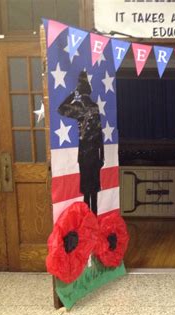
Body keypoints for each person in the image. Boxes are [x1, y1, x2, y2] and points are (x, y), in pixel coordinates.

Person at [58, 71, 104, 215]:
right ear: (89, 92)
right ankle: (94, 217)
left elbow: (60, 109)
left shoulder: (78, 107)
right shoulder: (94, 107)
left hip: (84, 153)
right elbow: (99, 132)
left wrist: (73, 94)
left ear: (80, 91)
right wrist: (102, 156)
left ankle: (86, 219)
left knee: (86, 189)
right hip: (95, 153)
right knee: (94, 189)